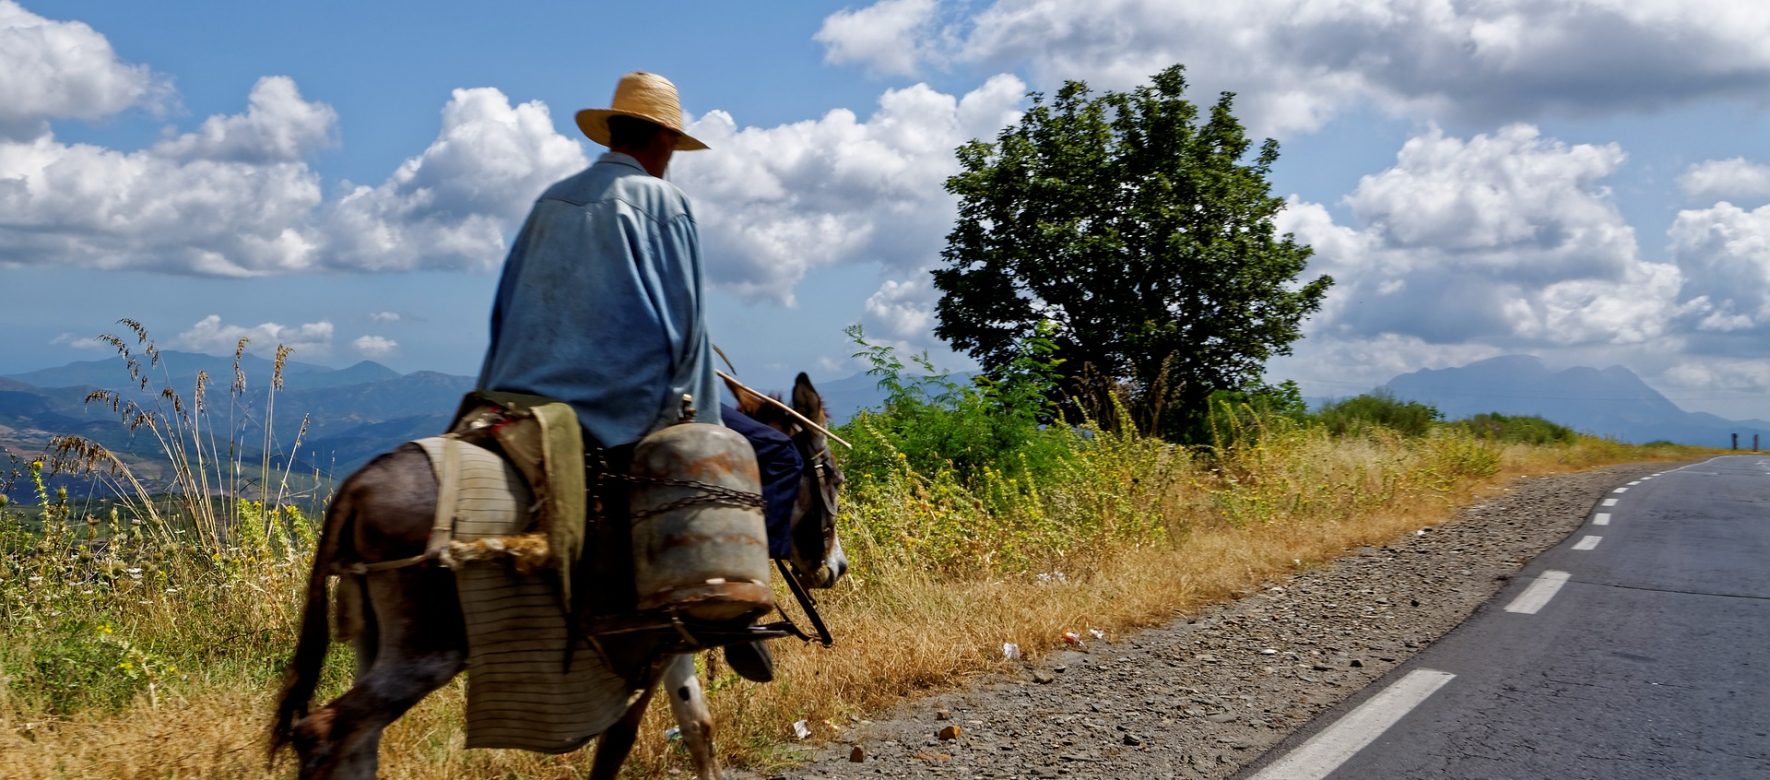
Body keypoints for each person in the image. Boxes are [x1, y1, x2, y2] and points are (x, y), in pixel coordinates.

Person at [475, 71, 785, 682]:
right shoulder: (665, 203)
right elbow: (687, 326)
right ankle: (735, 611)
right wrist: (705, 422)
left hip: (515, 396)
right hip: (619, 404)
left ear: (613, 131)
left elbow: (504, 309)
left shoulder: (551, 199)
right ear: (665, 140)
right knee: (777, 456)